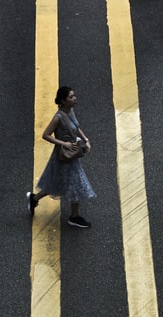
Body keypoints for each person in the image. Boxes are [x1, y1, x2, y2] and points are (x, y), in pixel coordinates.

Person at [27, 86, 96, 228]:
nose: (74, 98)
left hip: (72, 154)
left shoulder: (71, 110)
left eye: (74, 96)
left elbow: (76, 127)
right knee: (76, 184)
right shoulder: (58, 118)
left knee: (57, 182)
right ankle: (74, 217)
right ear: (63, 101)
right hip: (63, 156)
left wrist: (86, 140)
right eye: (71, 97)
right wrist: (63, 143)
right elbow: (45, 135)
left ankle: (34, 198)